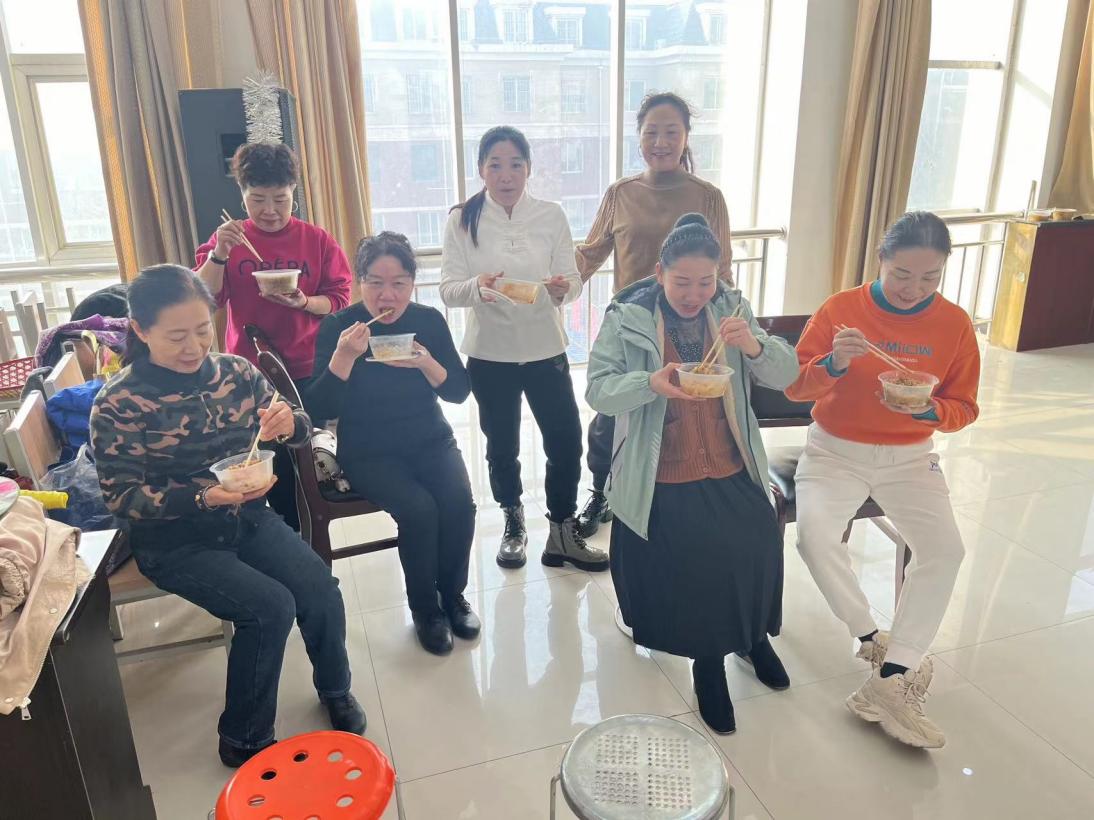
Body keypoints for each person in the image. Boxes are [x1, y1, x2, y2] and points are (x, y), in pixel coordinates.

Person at [90, 265, 364, 768]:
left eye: (202, 330)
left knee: (320, 588)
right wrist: (204, 497)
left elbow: (304, 429)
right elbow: (121, 497)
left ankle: (336, 689)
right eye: (176, 336)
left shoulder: (236, 373)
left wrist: (289, 423)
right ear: (141, 330)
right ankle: (244, 738)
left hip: (248, 518)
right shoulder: (118, 403)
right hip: (175, 542)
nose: (194, 346)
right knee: (270, 608)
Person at [586, 214, 798, 735]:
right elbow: (598, 390)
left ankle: (752, 639)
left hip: (730, 459)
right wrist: (649, 382)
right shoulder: (628, 317)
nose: (694, 294)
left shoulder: (731, 309)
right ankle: (708, 665)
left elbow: (787, 374)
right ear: (659, 273)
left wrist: (754, 346)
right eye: (682, 282)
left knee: (758, 542)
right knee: (701, 557)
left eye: (705, 282)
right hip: (661, 469)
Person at [786, 211, 979, 749]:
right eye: (902, 275)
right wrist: (834, 363)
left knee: (945, 552)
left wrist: (929, 411)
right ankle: (870, 636)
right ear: (881, 260)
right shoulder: (841, 310)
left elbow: (965, 406)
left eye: (930, 277)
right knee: (814, 538)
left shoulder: (954, 324)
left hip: (911, 457)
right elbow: (796, 386)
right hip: (834, 451)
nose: (914, 288)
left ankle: (892, 677)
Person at [439, 126, 607, 573]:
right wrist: (477, 286)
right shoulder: (463, 219)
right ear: (481, 169)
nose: (506, 174)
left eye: (515, 164)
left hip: (545, 348)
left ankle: (562, 529)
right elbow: (449, 290)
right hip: (489, 354)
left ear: (529, 168)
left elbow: (573, 280)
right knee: (502, 445)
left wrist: (562, 289)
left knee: (565, 440)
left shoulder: (550, 215)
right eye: (495, 164)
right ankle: (513, 521)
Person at [306, 232, 479, 656]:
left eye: (399, 283)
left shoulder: (428, 321)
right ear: (359, 282)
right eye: (376, 283)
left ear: (412, 283)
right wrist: (344, 357)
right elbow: (318, 410)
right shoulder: (339, 327)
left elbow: (458, 392)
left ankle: (452, 596)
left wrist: (425, 362)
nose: (388, 295)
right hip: (368, 449)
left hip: (430, 437)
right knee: (419, 510)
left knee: (458, 502)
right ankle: (425, 610)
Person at [575, 92, 734, 538]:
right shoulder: (621, 194)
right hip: (632, 325)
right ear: (639, 136)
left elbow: (722, 269)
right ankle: (603, 491)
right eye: (651, 133)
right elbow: (589, 254)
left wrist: (735, 319)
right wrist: (554, 285)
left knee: (679, 411)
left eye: (671, 132)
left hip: (691, 323)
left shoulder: (708, 197)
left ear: (686, 137)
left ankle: (680, 484)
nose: (660, 142)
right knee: (610, 418)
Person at [194, 142, 353, 531]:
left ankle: (307, 536)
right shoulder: (228, 240)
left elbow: (339, 298)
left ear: (293, 192)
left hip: (308, 368)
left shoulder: (316, 240)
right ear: (242, 194)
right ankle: (282, 536)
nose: (269, 210)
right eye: (257, 199)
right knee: (265, 464)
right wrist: (219, 254)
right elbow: (202, 300)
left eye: (280, 200)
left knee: (306, 464)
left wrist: (304, 302)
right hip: (249, 375)